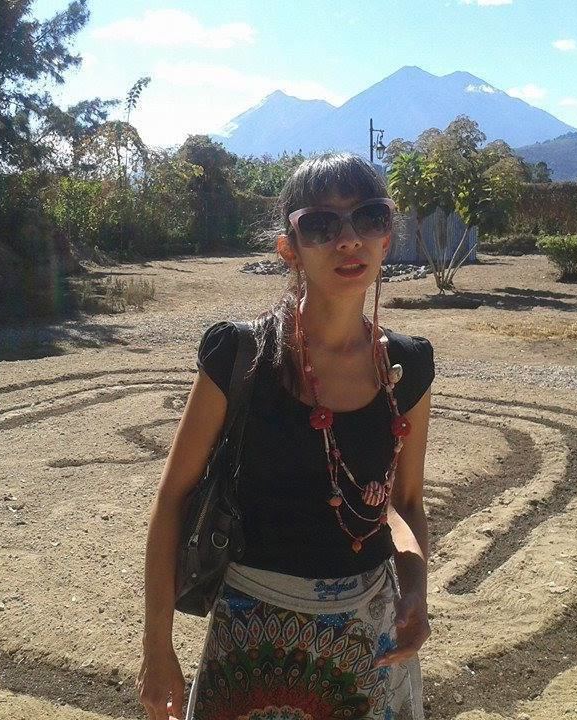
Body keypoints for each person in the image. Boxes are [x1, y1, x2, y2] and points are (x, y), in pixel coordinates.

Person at [137, 153, 435, 720]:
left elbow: (406, 504)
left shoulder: (408, 367)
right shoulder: (241, 357)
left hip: (371, 644)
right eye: (322, 225)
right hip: (251, 638)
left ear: (387, 236)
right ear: (288, 247)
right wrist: (157, 649)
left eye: (368, 218)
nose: (349, 241)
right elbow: (172, 499)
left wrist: (415, 589)